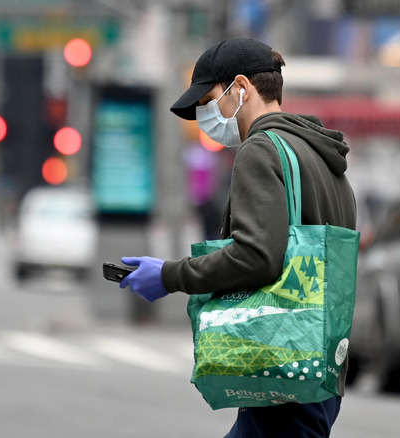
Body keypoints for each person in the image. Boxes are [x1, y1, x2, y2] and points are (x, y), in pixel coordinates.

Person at [120, 36, 356, 438]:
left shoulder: (260, 150)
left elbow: (256, 255)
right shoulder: (321, 156)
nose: (204, 115)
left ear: (241, 88)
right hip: (319, 366)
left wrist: (169, 276)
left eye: (209, 99)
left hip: (281, 361)